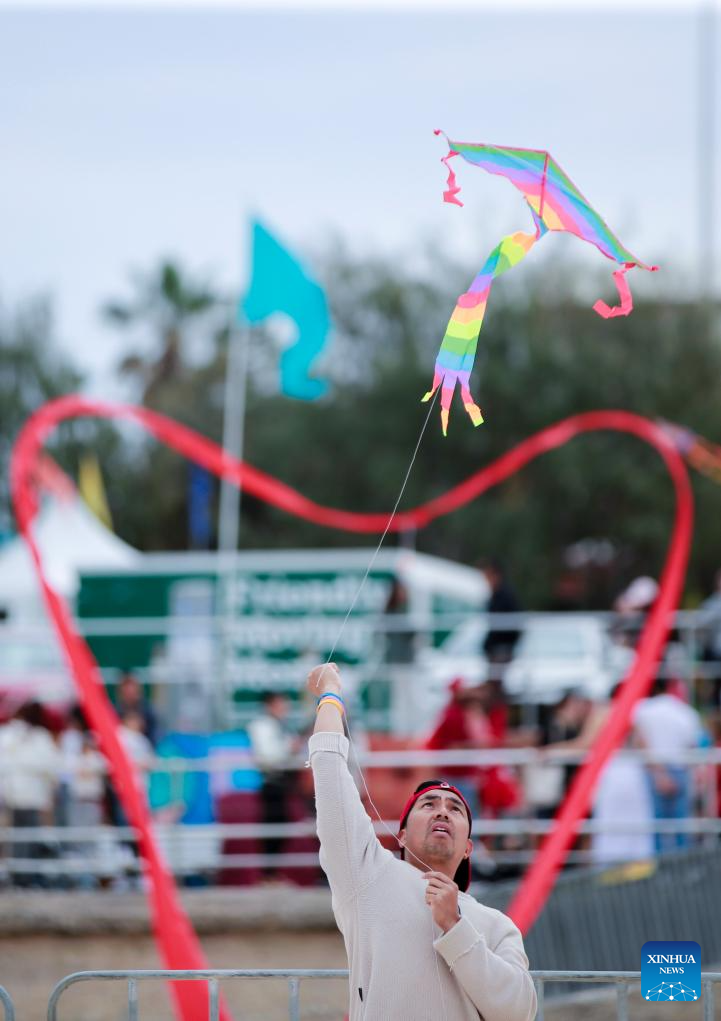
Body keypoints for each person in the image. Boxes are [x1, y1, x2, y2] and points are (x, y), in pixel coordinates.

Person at [307, 663, 536, 1021]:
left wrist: (456, 927)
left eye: (455, 809)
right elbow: (329, 772)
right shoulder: (367, 875)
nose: (442, 811)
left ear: (468, 848)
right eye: (428, 805)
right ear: (400, 836)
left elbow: (517, 1010)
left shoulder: (496, 925)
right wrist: (330, 696)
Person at [632, 677, 703, 852]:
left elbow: (641, 743)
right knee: (681, 827)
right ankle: (683, 868)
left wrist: (659, 774)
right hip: (680, 769)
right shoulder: (685, 711)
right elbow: (693, 745)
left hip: (654, 771)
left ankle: (658, 872)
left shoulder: (642, 710)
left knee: (656, 828)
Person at [0, 701, 60, 886]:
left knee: (22, 837)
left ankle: (22, 875)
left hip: (21, 796)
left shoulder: (14, 735)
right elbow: (51, 767)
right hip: (19, 796)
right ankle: (20, 875)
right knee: (22, 837)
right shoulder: (17, 736)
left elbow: (50, 767)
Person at [247, 691, 294, 880]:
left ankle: (271, 873)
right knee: (272, 825)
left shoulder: (281, 726)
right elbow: (267, 756)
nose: (284, 709)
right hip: (270, 782)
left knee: (282, 825)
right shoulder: (261, 726)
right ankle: (268, 874)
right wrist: (290, 749)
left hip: (283, 782)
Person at [479, 559, 522, 682]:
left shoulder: (504, 596)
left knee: (495, 682)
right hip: (497, 647)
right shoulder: (498, 595)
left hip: (501, 647)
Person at [116, 672, 159, 747]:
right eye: (127, 692)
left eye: (132, 692)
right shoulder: (115, 712)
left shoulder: (148, 710)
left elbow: (155, 734)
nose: (130, 694)